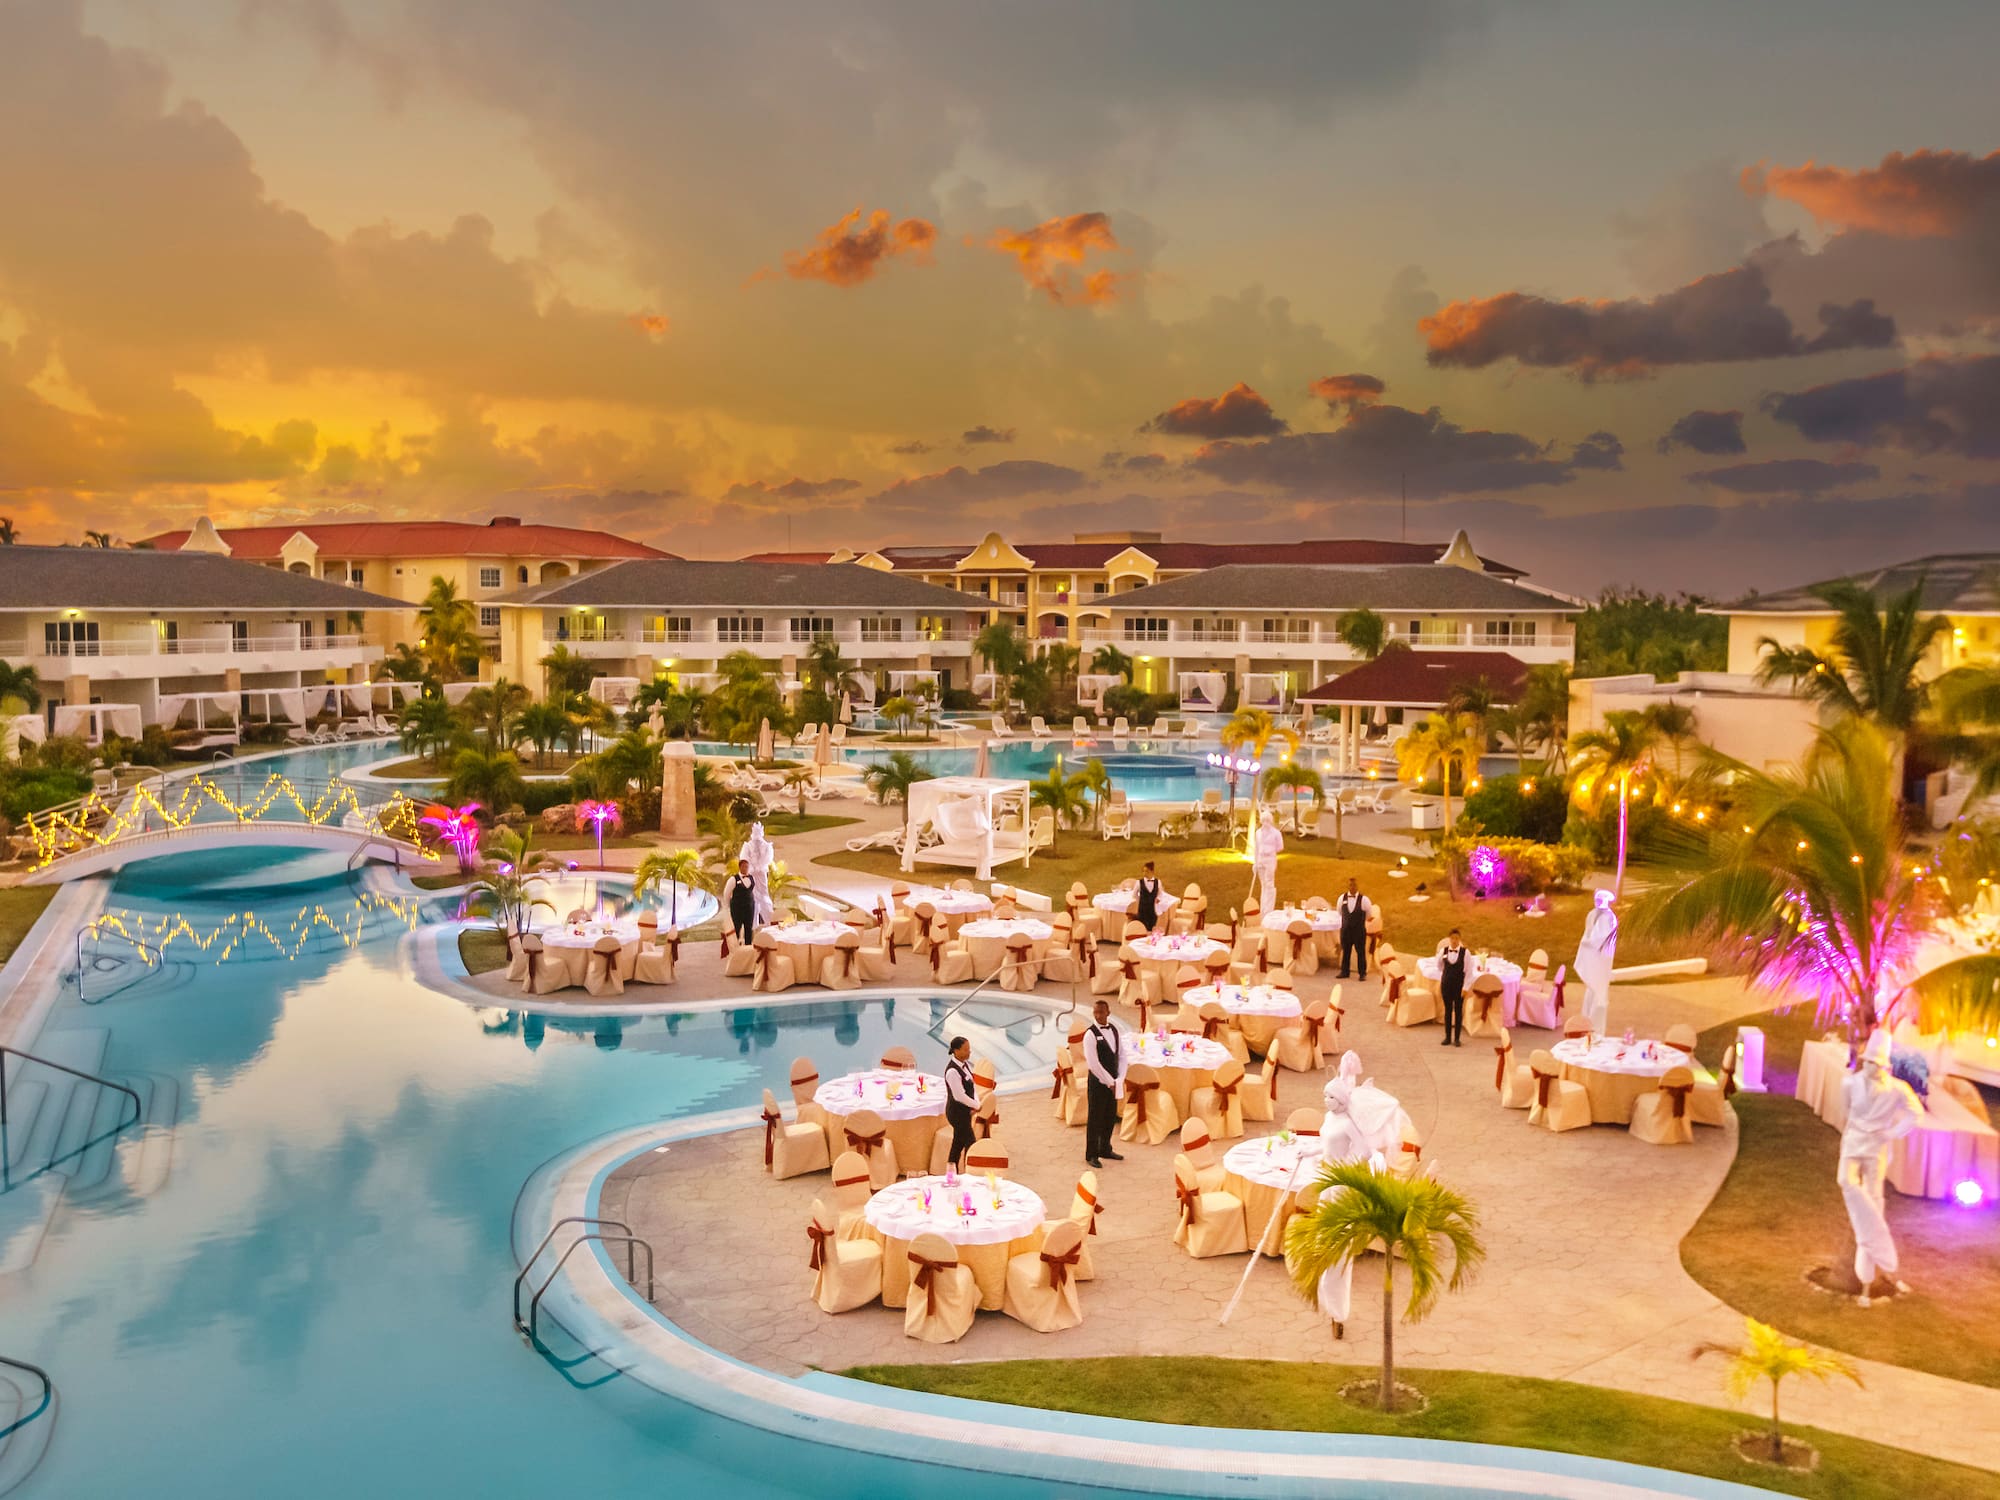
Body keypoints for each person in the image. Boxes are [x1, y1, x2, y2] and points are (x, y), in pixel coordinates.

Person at [1838, 1030, 1923, 1307]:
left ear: (1885, 1065)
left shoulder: (1898, 1089)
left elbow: (1915, 1112)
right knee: (1846, 1182)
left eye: (1876, 1063)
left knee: (1875, 1199)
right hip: (1853, 1143)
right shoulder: (1849, 1083)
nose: (1871, 1067)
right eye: (1868, 1061)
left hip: (1876, 1148)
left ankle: (1867, 1280)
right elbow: (1846, 1113)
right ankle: (1876, 1237)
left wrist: (1893, 1133)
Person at [1081, 998, 1127, 1169]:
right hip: (1098, 1083)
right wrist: (1109, 1082)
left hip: (1114, 1082)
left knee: (1110, 1116)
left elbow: (1122, 1056)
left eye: (1102, 1012)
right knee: (1095, 1118)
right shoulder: (1090, 1035)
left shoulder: (1114, 1030)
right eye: (1096, 1012)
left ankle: (1105, 1148)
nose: (1099, 1015)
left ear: (1108, 1012)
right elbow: (1093, 1064)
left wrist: (1120, 1078)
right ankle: (1091, 1153)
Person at [1574, 888, 1618, 1036]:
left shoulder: (1609, 918)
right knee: (1592, 989)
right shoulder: (1593, 914)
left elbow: (1600, 939)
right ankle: (1586, 1021)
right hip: (1592, 957)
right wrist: (1586, 943)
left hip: (1601, 960)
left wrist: (1588, 943)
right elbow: (1588, 933)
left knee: (1599, 990)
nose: (1597, 902)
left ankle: (1596, 1028)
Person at [942, 1035, 978, 1172]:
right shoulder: (952, 1071)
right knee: (971, 1143)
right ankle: (973, 1172)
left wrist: (976, 1103)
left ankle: (951, 1172)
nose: (969, 1052)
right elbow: (959, 1096)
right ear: (956, 1051)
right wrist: (976, 1106)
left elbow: (972, 1087)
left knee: (957, 1143)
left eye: (969, 1049)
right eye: (966, 1049)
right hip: (956, 1113)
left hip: (965, 1112)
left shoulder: (964, 1065)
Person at [1334, 878, 1371, 979]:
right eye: (1350, 885)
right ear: (1348, 886)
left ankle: (1362, 973)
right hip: (1346, 930)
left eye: (1354, 885)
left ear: (1357, 886)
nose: (1352, 887)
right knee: (1346, 951)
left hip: (1359, 931)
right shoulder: (1342, 898)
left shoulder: (1364, 900)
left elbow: (1368, 915)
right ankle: (1344, 972)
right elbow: (1340, 912)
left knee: (1361, 952)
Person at [1436, 928, 1467, 1047]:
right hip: (1446, 985)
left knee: (1458, 1011)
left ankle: (1457, 1038)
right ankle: (1447, 1037)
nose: (1454, 941)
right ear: (1449, 939)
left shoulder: (1465, 953)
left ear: (1459, 940)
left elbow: (1468, 972)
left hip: (1459, 986)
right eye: (1452, 938)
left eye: (1457, 939)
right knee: (1448, 1010)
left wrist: (1466, 987)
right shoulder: (1443, 952)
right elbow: (1439, 966)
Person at [743, 821, 776, 924]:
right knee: (752, 898)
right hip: (751, 874)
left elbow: (768, 858)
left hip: (761, 874)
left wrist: (759, 867)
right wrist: (752, 868)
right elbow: (744, 858)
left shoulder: (767, 846)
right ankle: (753, 924)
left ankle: (769, 921)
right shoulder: (747, 846)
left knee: (763, 895)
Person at [1251, 808, 1283, 912]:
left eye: (1268, 820)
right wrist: (1255, 863)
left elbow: (1280, 847)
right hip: (1260, 860)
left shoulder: (1276, 833)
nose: (1266, 823)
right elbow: (1256, 848)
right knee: (1263, 885)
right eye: (1264, 820)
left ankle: (1268, 910)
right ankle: (1263, 909)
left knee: (1269, 885)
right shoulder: (1258, 833)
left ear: (1271, 821)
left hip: (1270, 860)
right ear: (1261, 821)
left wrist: (1270, 851)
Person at [722, 857, 757, 947]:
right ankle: (735, 947)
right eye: (744, 867)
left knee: (748, 927)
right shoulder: (733, 879)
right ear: (740, 867)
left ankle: (748, 947)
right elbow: (726, 893)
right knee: (737, 927)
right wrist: (726, 907)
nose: (746, 869)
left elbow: (753, 891)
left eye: (747, 867)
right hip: (737, 908)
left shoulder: (751, 878)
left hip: (749, 907)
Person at [1134, 860, 1164, 932]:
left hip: (1152, 910)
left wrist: (1158, 898)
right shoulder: (1139, 882)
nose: (1144, 873)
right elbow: (1134, 894)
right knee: (1142, 928)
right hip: (1142, 910)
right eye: (1143, 871)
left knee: (1152, 927)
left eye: (1147, 871)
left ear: (1152, 871)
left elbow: (1161, 893)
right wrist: (1140, 900)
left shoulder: (1158, 882)